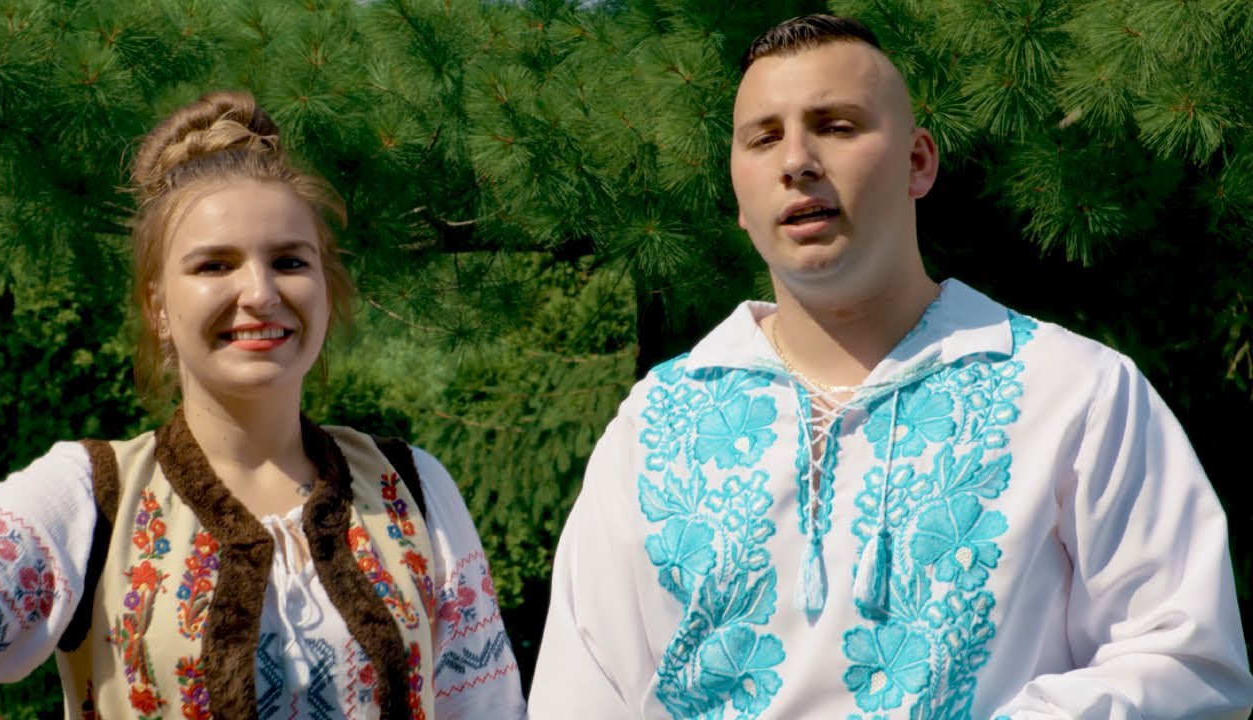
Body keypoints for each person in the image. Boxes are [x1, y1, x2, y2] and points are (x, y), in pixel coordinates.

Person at [529, 14, 1253, 719]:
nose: (796, 161)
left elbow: (1188, 664)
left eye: (837, 126)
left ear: (918, 162)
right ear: (738, 195)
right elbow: (584, 689)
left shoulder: (1075, 393)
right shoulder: (652, 424)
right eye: (764, 138)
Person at [0, 91, 525, 719]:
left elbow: (488, 710)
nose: (260, 293)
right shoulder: (87, 497)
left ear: (325, 288)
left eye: (289, 261)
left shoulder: (414, 487)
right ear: (158, 306)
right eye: (215, 265)